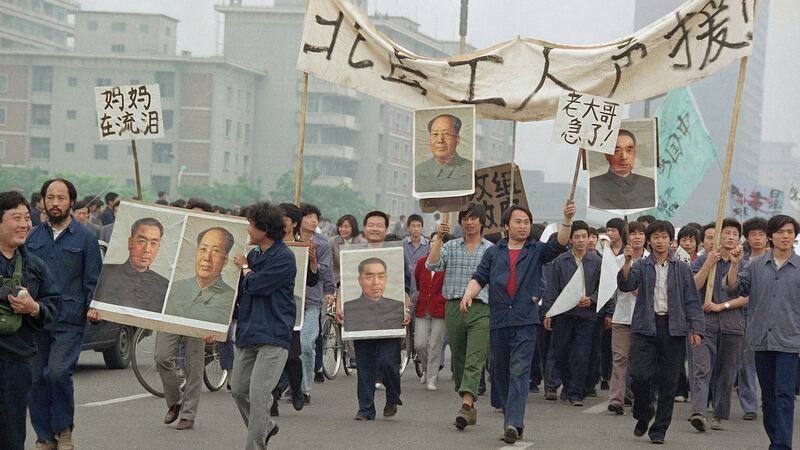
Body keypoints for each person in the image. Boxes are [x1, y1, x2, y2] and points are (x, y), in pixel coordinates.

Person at [461, 202, 574, 444]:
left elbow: (560, 243)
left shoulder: (536, 250)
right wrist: (469, 294)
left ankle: (513, 423)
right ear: (506, 226)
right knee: (500, 372)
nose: (523, 226)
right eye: (518, 222)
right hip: (500, 319)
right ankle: (510, 415)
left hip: (525, 319)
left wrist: (566, 220)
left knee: (520, 371)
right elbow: (480, 277)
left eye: (526, 222)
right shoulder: (493, 252)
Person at [25, 178, 103, 450]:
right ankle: (44, 435)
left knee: (57, 373)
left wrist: (94, 307)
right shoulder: (32, 237)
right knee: (35, 378)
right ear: (43, 201)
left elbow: (93, 281)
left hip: (69, 319)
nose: (55, 202)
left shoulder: (87, 239)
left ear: (71, 201)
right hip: (35, 320)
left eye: (61, 197)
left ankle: (64, 429)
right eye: (50, 197)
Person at [618, 220, 704, 444]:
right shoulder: (641, 265)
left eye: (664, 237)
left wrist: (696, 329)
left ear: (671, 241)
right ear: (649, 240)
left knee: (668, 382)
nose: (660, 241)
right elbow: (626, 285)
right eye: (655, 237)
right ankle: (644, 412)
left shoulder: (682, 268)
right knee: (639, 376)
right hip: (645, 327)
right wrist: (627, 262)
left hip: (673, 328)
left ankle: (659, 430)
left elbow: (692, 300)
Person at [726, 215, 800, 450]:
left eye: (789, 232)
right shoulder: (756, 266)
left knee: (784, 395)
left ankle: (781, 445)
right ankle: (776, 441)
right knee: (768, 398)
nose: (785, 236)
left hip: (790, 340)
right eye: (780, 232)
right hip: (760, 339)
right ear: (771, 236)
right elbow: (733, 289)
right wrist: (734, 264)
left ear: (795, 236)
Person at [230, 202, 296, 449]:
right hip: (248, 331)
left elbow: (257, 285)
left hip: (273, 333)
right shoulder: (255, 254)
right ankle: (265, 426)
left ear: (265, 229)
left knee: (259, 395)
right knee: (238, 390)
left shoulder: (284, 258)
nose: (248, 228)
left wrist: (245, 267)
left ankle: (255, 445)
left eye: (251, 224)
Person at [336, 210, 411, 421]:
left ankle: (393, 396)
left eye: (379, 225)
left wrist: (406, 310)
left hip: (390, 318)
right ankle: (366, 408)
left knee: (388, 362)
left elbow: (404, 286)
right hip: (361, 319)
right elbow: (345, 284)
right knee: (365, 364)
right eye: (371, 224)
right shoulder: (352, 253)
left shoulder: (397, 253)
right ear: (365, 228)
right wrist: (341, 306)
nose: (375, 228)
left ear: (386, 229)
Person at [0, 191, 61, 450]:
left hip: (17, 360)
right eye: (16, 218)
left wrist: (34, 307)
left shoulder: (34, 266)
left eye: (27, 217)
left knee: (11, 433)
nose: (24, 224)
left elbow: (53, 307)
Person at [426, 203, 493, 431]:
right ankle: (469, 401)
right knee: (459, 359)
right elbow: (432, 263)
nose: (470, 222)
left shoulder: (491, 250)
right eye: (465, 218)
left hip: (481, 308)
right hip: (453, 307)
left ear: (482, 221)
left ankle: (465, 405)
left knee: (476, 357)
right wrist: (439, 238)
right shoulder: (451, 246)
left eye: (474, 218)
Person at [689, 218, 747, 432]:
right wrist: (707, 264)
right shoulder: (704, 259)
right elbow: (693, 286)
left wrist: (721, 306)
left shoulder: (744, 262)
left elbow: (746, 296)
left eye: (734, 233)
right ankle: (698, 412)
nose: (730, 237)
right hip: (704, 325)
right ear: (717, 236)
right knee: (702, 368)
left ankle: (719, 415)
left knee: (726, 372)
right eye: (727, 233)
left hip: (732, 325)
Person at [542, 220, 601, 407]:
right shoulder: (560, 261)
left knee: (581, 354)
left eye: (585, 236)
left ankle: (576, 393)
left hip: (587, 316)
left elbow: (605, 288)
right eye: (577, 237)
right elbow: (552, 289)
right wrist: (548, 313)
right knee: (561, 352)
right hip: (564, 314)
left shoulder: (597, 262)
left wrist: (591, 299)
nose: (582, 240)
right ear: (570, 239)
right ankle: (568, 385)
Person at [605, 220, 649, 415]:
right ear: (627, 237)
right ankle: (616, 399)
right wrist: (627, 263)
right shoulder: (619, 259)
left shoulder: (652, 259)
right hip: (622, 317)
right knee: (619, 359)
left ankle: (640, 397)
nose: (637, 237)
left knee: (640, 363)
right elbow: (618, 284)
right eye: (633, 234)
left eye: (640, 233)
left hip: (646, 319)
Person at [296, 203, 335, 400]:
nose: (313, 220)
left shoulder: (322, 244)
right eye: (309, 216)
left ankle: (305, 388)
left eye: (315, 217)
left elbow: (326, 270)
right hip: (289, 300)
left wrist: (329, 290)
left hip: (312, 300)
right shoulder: (288, 239)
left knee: (306, 343)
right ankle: (287, 384)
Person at [93, 217, 169, 313]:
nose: (147, 249)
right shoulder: (105, 273)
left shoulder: (164, 286)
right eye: (142, 241)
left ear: (158, 247)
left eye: (153, 243)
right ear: (130, 242)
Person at [163, 227, 236, 325]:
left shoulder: (230, 299)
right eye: (203, 249)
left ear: (225, 260)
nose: (207, 258)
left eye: (215, 251)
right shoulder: (174, 289)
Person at [737, 217, 768, 422]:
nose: (757, 238)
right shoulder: (741, 262)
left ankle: (769, 398)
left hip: (770, 317)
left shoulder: (775, 261)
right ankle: (749, 405)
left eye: (761, 234)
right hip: (744, 315)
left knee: (768, 362)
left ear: (768, 237)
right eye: (753, 234)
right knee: (746, 362)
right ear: (747, 237)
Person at [329, 214, 367, 369]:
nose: (343, 229)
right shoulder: (332, 242)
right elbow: (329, 265)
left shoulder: (361, 243)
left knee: (349, 318)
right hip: (337, 281)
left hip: (354, 282)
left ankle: (353, 355)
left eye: (347, 226)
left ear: (353, 228)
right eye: (341, 226)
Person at [414, 232, 450, 391]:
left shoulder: (447, 265)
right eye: (432, 241)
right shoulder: (421, 263)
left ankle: (432, 378)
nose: (435, 244)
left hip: (440, 308)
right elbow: (417, 281)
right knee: (420, 344)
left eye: (439, 241)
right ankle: (426, 367)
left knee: (436, 343)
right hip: (423, 307)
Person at [589, 130, 656, 211]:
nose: (624, 157)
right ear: (607, 155)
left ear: (634, 153)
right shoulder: (593, 185)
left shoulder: (648, 184)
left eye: (629, 150)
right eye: (617, 151)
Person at [415, 114, 473, 193]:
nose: (440, 140)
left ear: (457, 139)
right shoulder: (418, 171)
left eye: (446, 134)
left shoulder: (471, 170)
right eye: (435, 134)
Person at [344, 257, 405, 332]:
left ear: (386, 279)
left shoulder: (398, 306)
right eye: (369, 277)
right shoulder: (348, 309)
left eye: (381, 277)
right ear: (360, 280)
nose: (376, 282)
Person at [403, 213, 430, 300]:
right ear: (408, 228)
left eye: (419, 226)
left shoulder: (428, 245)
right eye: (413, 226)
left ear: (422, 228)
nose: (416, 229)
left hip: (422, 284)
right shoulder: (402, 244)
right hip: (406, 283)